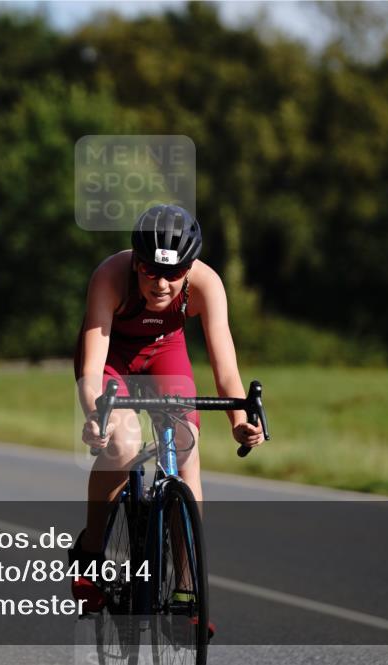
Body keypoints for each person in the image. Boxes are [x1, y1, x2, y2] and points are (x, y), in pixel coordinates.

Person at [71, 203, 264, 617]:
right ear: (136, 263)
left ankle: (185, 588)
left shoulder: (207, 284)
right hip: (112, 358)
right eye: (150, 271)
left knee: (186, 449)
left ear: (189, 267)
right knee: (123, 445)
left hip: (164, 355)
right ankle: (89, 553)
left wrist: (240, 421)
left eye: (175, 273)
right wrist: (94, 415)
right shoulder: (109, 276)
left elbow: (225, 367)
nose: (161, 284)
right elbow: (91, 370)